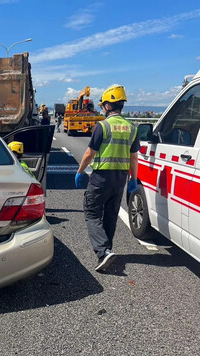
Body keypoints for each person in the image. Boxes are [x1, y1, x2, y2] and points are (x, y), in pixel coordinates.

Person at [74, 84, 140, 273]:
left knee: (92, 212)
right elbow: (134, 157)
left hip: (101, 177)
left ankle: (103, 253)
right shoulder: (132, 128)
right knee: (110, 215)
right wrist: (133, 180)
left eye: (103, 105)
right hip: (120, 178)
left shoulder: (102, 126)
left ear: (108, 106)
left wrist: (80, 171)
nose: (102, 108)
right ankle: (107, 250)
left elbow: (89, 153)